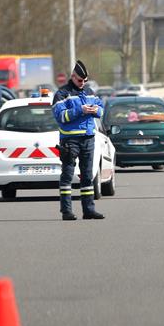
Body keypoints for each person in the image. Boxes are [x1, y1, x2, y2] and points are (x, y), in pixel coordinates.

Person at [52, 60, 105, 221]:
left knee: (87, 176)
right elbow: (61, 116)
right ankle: (66, 211)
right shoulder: (61, 94)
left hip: (88, 139)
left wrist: (96, 110)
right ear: (73, 76)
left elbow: (101, 109)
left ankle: (88, 210)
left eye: (85, 81)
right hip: (70, 140)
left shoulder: (89, 92)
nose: (83, 83)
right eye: (80, 80)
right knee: (67, 176)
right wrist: (79, 110)